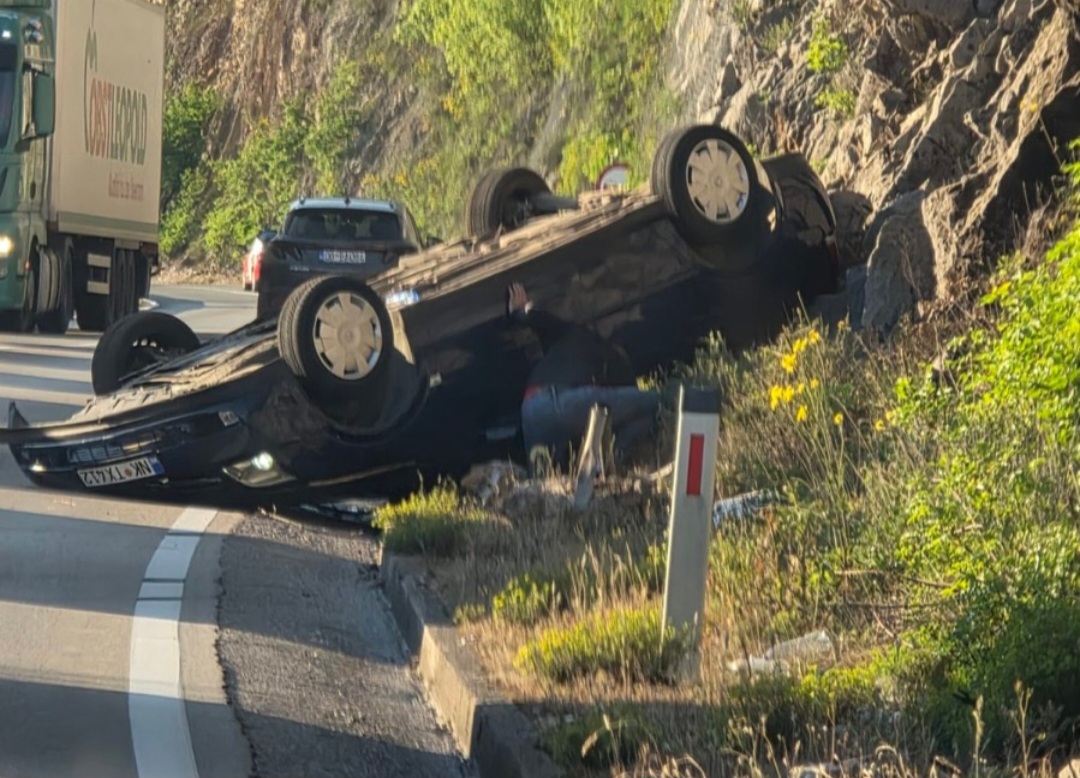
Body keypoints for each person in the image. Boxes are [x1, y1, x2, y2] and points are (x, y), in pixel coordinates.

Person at [506, 281, 661, 473]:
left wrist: (519, 314)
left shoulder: (564, 341)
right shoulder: (601, 351)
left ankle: (601, 469)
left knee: (547, 481)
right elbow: (629, 400)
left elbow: (540, 320)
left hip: (531, 414)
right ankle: (687, 395)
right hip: (558, 399)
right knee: (656, 402)